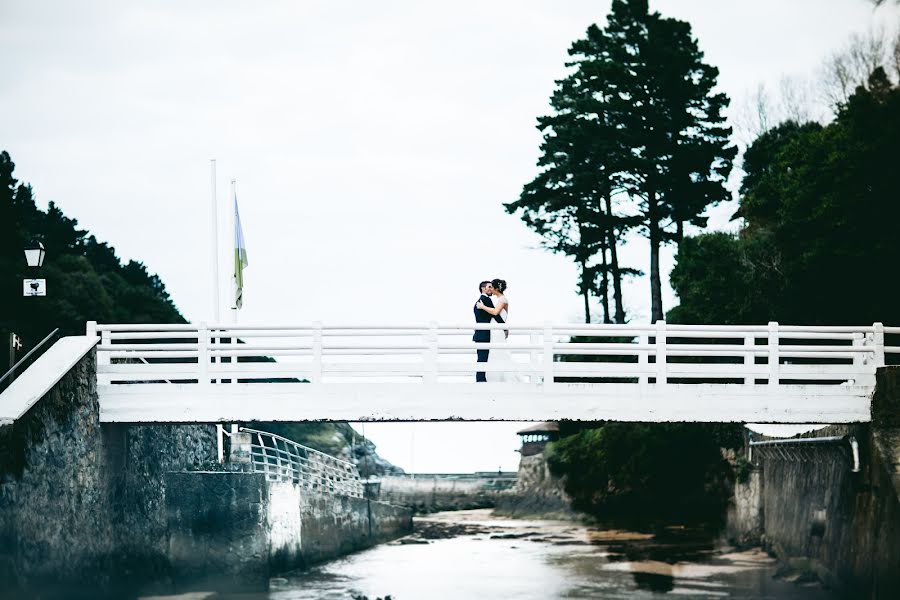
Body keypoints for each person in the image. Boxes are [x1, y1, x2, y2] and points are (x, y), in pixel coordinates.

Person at [476, 278, 519, 382]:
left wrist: (482, 306)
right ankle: (495, 378)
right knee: (494, 353)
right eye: (489, 287)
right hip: (495, 330)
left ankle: (503, 378)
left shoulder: (502, 299)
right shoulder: (499, 299)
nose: (491, 289)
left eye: (491, 287)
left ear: (496, 288)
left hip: (497, 331)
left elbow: (495, 312)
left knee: (499, 352)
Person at [473, 280, 504, 382]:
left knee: (482, 358)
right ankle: (481, 381)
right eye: (489, 287)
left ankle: (481, 379)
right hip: (483, 334)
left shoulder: (479, 301)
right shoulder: (485, 300)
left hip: (480, 334)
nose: (491, 289)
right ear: (483, 288)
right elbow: (495, 314)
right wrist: (505, 327)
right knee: (482, 358)